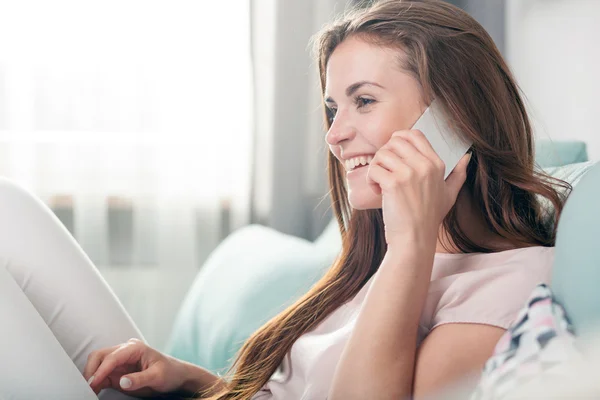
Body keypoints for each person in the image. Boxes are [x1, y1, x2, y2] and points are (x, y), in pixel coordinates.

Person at [0, 0, 571, 399]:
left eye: (363, 101)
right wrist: (198, 382)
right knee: (10, 211)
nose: (335, 134)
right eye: (332, 109)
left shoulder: (512, 280)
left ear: (453, 121)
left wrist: (413, 243)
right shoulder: (378, 265)